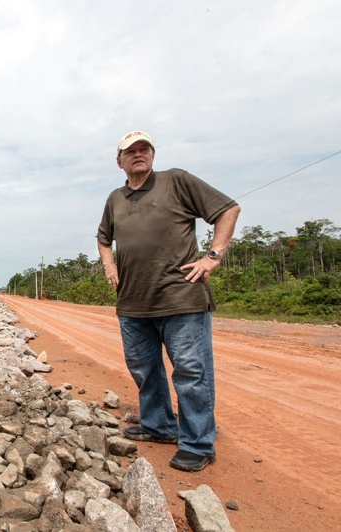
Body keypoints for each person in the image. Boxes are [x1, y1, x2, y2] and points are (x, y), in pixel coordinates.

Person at [97, 130, 241, 473]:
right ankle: (159, 425)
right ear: (119, 162)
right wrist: (109, 264)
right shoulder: (115, 198)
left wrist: (213, 256)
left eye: (144, 148)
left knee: (191, 372)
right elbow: (103, 238)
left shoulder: (176, 180)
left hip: (182, 297)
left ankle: (198, 443)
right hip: (133, 302)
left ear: (152, 155)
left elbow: (228, 209)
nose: (138, 154)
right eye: (130, 151)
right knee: (145, 369)